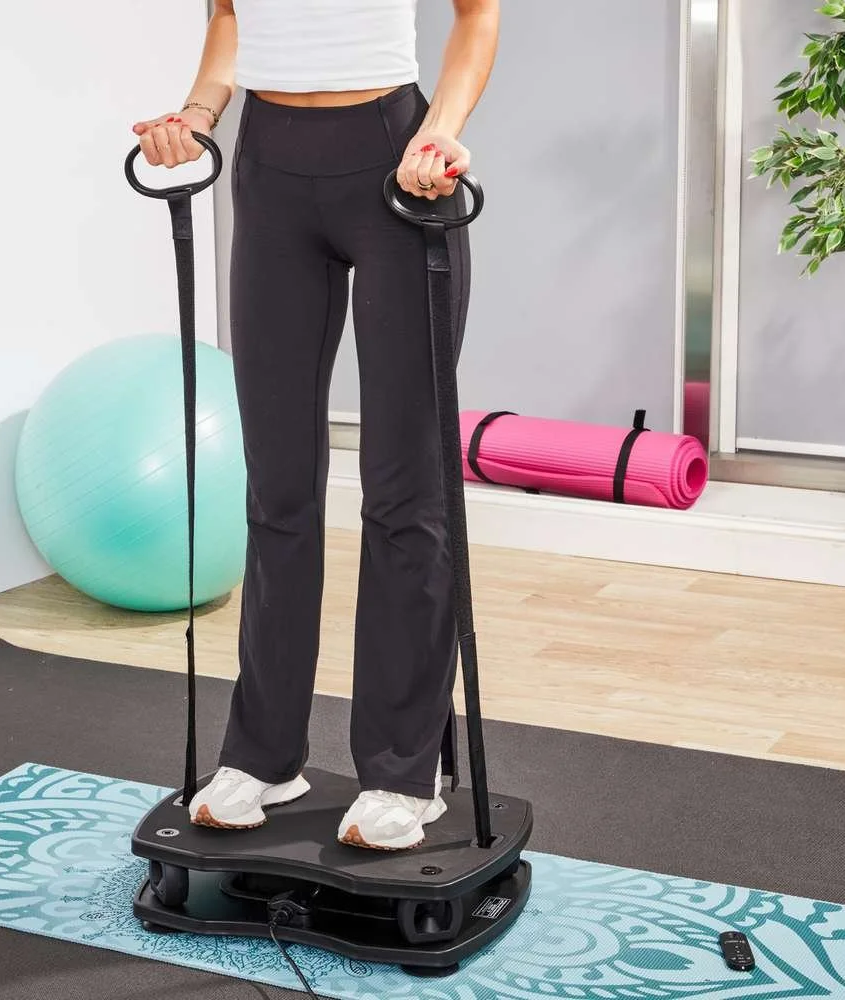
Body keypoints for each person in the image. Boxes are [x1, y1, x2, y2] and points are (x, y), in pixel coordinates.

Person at [133, 0, 499, 852]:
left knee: (405, 490)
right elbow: (229, 19)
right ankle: (263, 755)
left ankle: (405, 772)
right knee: (278, 486)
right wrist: (195, 114)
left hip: (395, 160)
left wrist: (440, 131)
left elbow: (478, 15)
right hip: (268, 165)